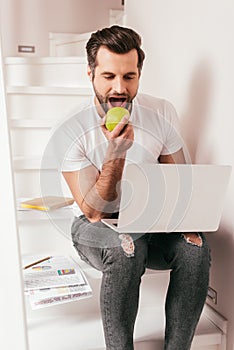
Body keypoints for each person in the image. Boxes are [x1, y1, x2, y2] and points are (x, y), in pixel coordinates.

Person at [60, 25, 210, 350]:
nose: (119, 87)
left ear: (139, 74)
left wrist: (187, 221)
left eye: (129, 76)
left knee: (196, 249)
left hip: (150, 218)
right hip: (94, 227)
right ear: (90, 74)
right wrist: (115, 157)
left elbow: (178, 180)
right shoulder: (72, 127)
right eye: (109, 76)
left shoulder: (162, 112)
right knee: (126, 247)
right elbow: (93, 209)